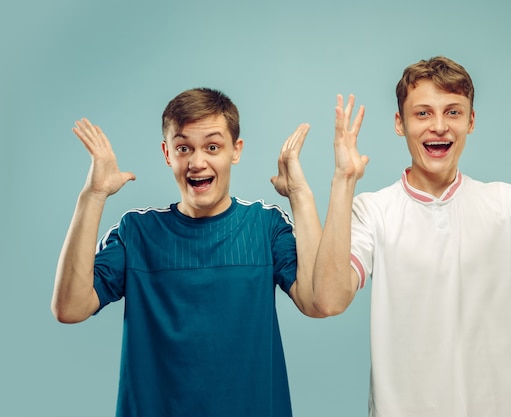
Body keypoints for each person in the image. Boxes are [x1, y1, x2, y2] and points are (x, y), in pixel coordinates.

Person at [312, 56, 511, 417]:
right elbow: (329, 300)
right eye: (422, 113)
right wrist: (343, 180)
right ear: (399, 123)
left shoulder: (507, 204)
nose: (439, 126)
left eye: (453, 112)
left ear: (471, 121)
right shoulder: (372, 211)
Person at [51, 87, 325, 417]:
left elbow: (315, 301)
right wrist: (93, 196)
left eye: (212, 146)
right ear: (168, 154)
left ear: (235, 151)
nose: (197, 162)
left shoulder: (264, 226)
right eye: (184, 148)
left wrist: (300, 195)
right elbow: (70, 307)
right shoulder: (136, 232)